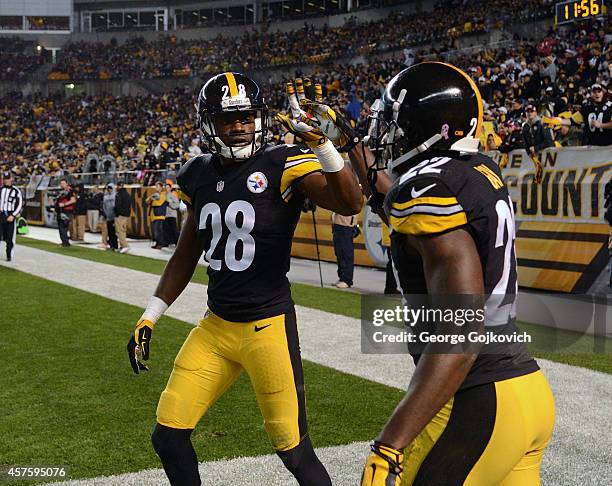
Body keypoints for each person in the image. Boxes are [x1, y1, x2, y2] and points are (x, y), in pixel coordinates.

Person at [308, 62, 555, 485]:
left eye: (395, 125)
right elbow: (388, 195)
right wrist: (346, 143)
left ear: (427, 128)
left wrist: (391, 442)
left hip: (476, 398)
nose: (386, 135)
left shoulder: (429, 190)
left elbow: (461, 335)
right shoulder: (474, 168)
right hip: (525, 390)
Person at [127, 72, 362, 486]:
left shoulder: (283, 162)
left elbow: (350, 200)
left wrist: (324, 147)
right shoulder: (197, 173)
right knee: (167, 436)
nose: (239, 126)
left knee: (294, 451)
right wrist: (150, 315)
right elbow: (186, 254)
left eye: (247, 117)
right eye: (227, 119)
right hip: (215, 328)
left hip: (266, 328)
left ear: (260, 118)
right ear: (207, 124)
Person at [331, 210, 359, 288]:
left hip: (346, 225)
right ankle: (342, 277)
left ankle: (347, 280)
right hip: (337, 224)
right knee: (339, 253)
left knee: (346, 253)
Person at [0, 173, 23, 261]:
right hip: (1, 215)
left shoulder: (16, 191)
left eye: (8, 178)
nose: (6, 180)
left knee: (9, 237)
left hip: (10, 215)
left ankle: (9, 255)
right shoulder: (1, 189)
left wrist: (13, 215)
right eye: (5, 179)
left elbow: (19, 204)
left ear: (11, 179)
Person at [146, 181, 167, 249]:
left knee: (158, 231)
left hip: (159, 216)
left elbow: (158, 203)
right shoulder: (156, 194)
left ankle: (161, 244)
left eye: (158, 186)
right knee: (156, 231)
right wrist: (151, 198)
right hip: (154, 216)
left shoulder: (163, 195)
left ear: (161, 187)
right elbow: (147, 201)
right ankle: (157, 243)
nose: (156, 188)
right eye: (156, 186)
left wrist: (152, 199)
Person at [56, 178, 76, 247]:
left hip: (66, 211)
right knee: (61, 228)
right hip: (60, 211)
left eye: (63, 183)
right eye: (61, 183)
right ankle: (64, 242)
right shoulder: (61, 191)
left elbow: (73, 200)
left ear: (67, 183)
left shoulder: (69, 191)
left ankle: (65, 243)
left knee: (63, 227)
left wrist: (64, 204)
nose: (62, 185)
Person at [114, 181, 131, 254]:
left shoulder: (120, 194)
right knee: (120, 231)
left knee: (120, 231)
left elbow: (118, 206)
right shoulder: (126, 194)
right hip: (124, 215)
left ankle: (125, 246)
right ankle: (122, 246)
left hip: (121, 215)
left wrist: (117, 213)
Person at [163, 181, 180, 247]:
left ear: (170, 188)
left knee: (174, 229)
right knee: (166, 230)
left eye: (168, 187)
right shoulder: (163, 195)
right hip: (165, 215)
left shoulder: (173, 195)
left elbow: (177, 205)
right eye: (166, 187)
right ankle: (167, 242)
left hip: (172, 215)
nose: (166, 188)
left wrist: (170, 204)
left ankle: (177, 242)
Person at [102, 183, 118, 251]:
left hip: (114, 216)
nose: (109, 190)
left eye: (110, 188)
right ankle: (111, 245)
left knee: (114, 232)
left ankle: (115, 245)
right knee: (110, 232)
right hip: (108, 216)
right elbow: (104, 206)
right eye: (108, 188)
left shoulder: (116, 195)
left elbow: (116, 206)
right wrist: (105, 213)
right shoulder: (105, 196)